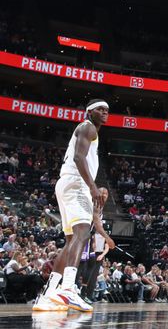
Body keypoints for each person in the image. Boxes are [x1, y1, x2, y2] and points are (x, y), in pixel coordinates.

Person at [33, 99, 109, 313]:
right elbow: (78, 157)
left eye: (106, 110)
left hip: (67, 183)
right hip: (76, 184)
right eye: (100, 109)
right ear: (89, 112)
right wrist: (93, 187)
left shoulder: (90, 131)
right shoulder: (88, 127)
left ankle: (49, 294)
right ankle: (67, 288)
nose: (104, 112)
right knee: (83, 234)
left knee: (70, 241)